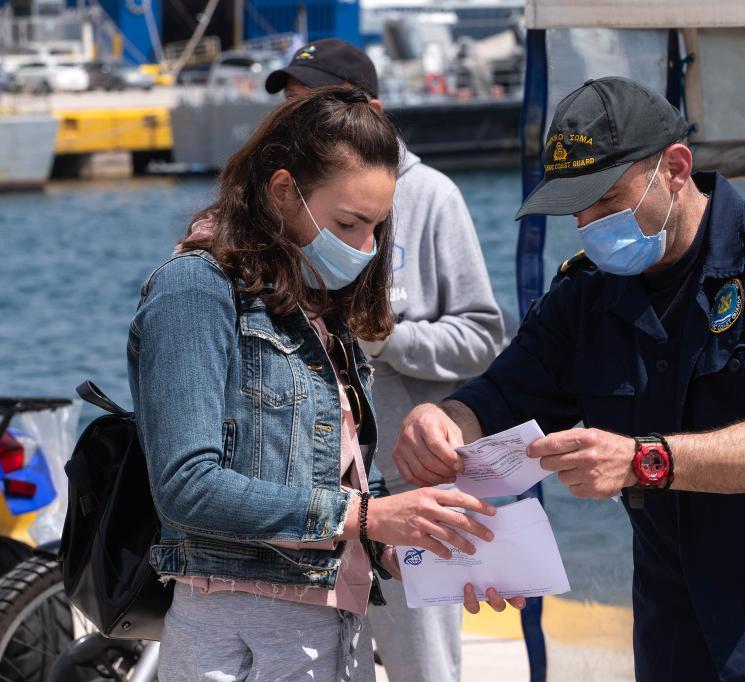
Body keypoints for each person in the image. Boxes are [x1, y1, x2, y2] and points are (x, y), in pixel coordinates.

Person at [392, 76, 745, 681]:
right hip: (680, 639)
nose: (588, 223)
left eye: (605, 200)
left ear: (676, 168)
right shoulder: (585, 294)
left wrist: (642, 460)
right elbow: (500, 396)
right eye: (574, 207)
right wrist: (442, 421)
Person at [128, 86, 521, 681]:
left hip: (335, 638)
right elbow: (186, 486)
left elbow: (338, 483)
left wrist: (424, 550)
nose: (364, 248)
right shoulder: (194, 290)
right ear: (283, 191)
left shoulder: (318, 307)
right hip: (235, 645)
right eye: (349, 223)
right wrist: (368, 517)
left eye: (377, 228)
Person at [266, 40, 505, 682]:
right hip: (314, 501)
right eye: (288, 106)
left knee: (422, 669)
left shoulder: (431, 196)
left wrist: (384, 340)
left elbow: (484, 337)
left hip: (409, 490)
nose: (291, 122)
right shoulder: (283, 201)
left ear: (368, 110)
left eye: (309, 105)